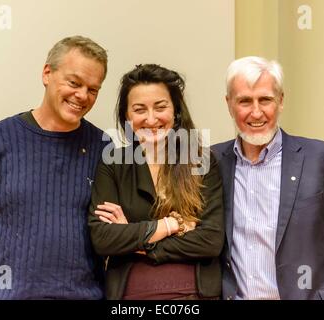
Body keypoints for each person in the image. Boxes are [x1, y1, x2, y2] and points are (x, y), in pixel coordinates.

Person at [0, 35, 108, 299]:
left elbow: (110, 232)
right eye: (74, 83)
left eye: (93, 89)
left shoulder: (103, 148)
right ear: (47, 73)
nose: (82, 96)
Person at [212, 56, 324, 300]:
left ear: (281, 101)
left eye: (265, 99)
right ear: (229, 104)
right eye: (244, 101)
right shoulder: (212, 162)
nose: (256, 112)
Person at [88, 64, 224, 300]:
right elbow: (103, 239)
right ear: (127, 117)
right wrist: (172, 226)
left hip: (195, 296)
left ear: (175, 111)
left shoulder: (200, 160)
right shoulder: (113, 163)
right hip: (130, 298)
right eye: (139, 109)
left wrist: (137, 242)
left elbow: (210, 241)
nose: (151, 119)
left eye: (160, 107)